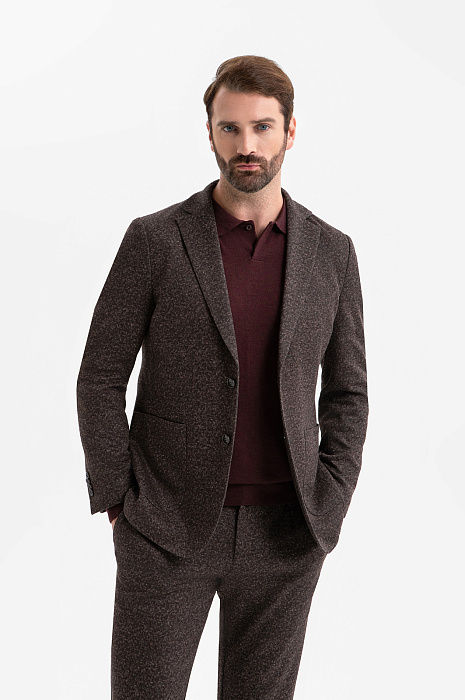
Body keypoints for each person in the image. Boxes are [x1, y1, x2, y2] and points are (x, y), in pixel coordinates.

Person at [76, 54, 368, 700]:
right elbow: (99, 375)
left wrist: (329, 503)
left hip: (286, 536)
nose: (246, 146)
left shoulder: (332, 253)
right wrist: (120, 502)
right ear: (209, 132)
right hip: (166, 529)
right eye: (230, 128)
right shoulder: (155, 240)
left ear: (290, 131)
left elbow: (348, 393)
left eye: (262, 127)